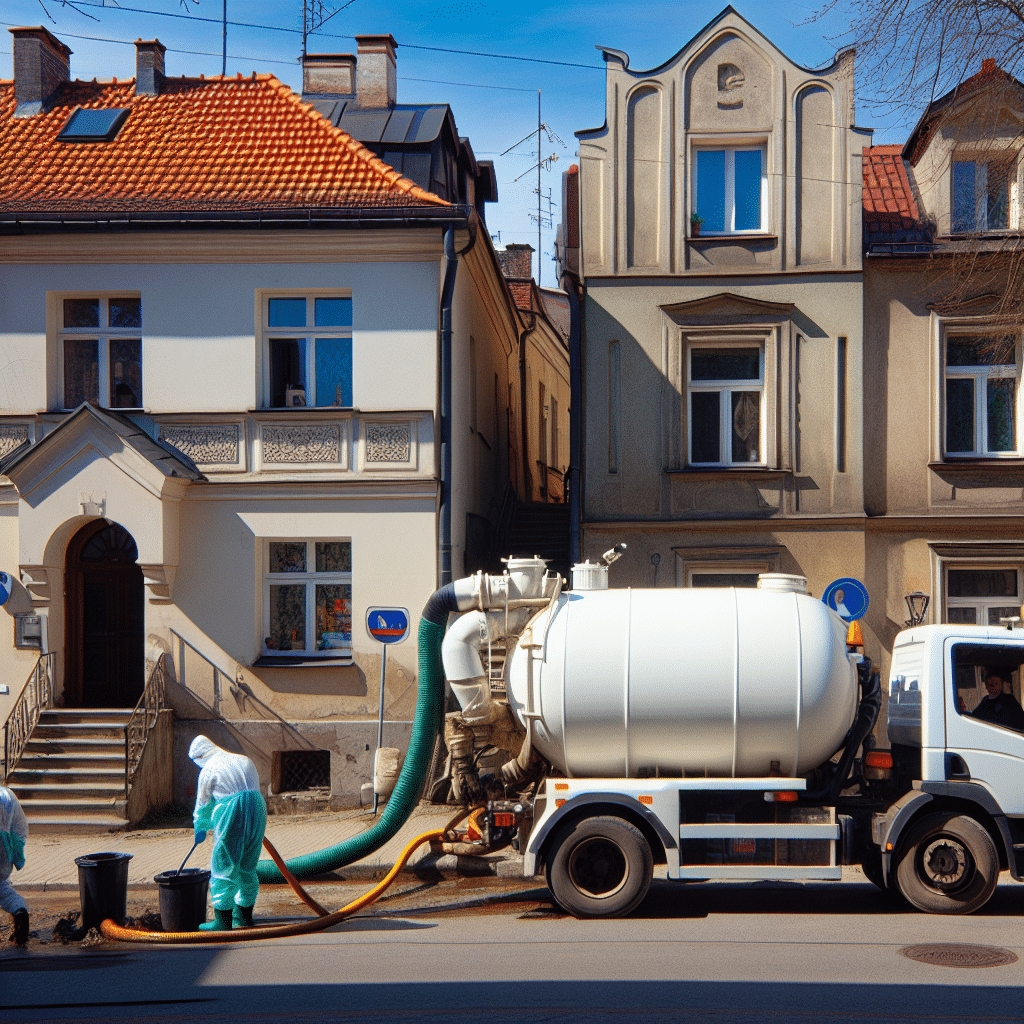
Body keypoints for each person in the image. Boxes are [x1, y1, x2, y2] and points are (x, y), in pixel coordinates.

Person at [189, 736, 267, 931]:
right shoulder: (242, 759)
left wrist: (200, 827)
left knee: (223, 865)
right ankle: (243, 916)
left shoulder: (209, 769)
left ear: (200, 756)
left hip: (232, 811)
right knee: (247, 865)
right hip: (258, 807)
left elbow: (203, 805)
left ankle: (222, 923)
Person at [0, 785, 29, 946]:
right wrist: (15, 852)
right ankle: (20, 911)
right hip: (3, 852)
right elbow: (20, 827)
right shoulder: (7, 795)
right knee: (2, 888)